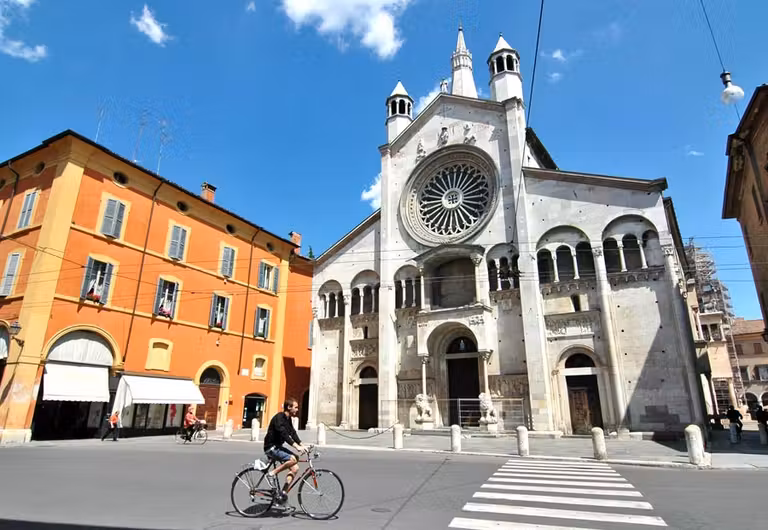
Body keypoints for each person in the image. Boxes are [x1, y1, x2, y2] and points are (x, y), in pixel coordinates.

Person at [262, 398, 307, 505]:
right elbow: (284, 434)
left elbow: (292, 433)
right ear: (289, 407)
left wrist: (302, 444)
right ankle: (272, 474)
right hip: (271, 447)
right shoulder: (279, 418)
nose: (297, 409)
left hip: (277, 446)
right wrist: (296, 446)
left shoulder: (288, 419)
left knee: (295, 468)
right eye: (296, 407)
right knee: (293, 459)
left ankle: (282, 495)